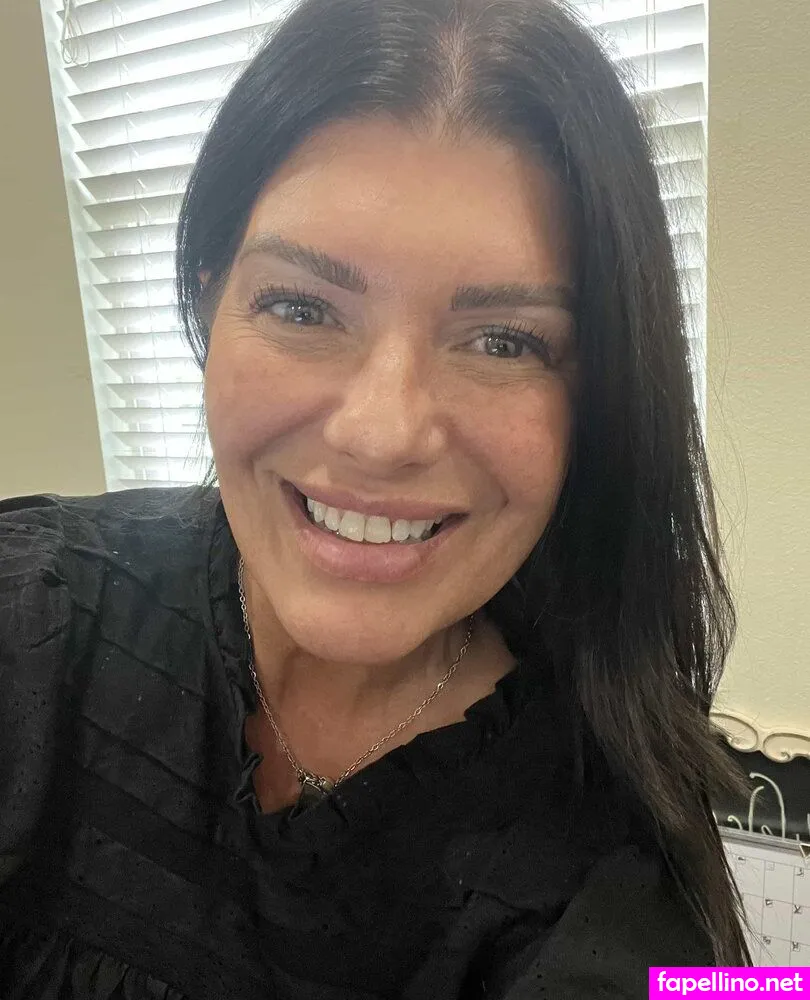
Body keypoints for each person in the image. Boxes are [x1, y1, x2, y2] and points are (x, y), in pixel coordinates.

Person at [0, 0, 753, 995]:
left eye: (504, 341)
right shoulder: (33, 611)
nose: (381, 432)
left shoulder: (612, 890)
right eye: (301, 306)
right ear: (209, 300)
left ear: (599, 398)